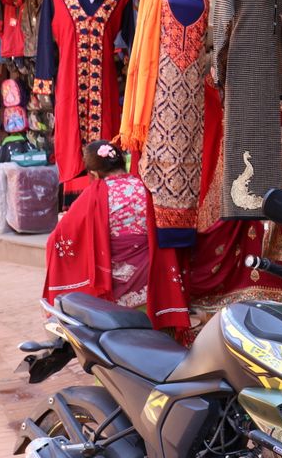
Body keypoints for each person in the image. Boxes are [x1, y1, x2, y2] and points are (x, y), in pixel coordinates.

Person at [43, 140, 191, 343]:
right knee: (156, 342)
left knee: (114, 345)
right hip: (149, 281)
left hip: (115, 286)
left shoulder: (92, 195)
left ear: (94, 173)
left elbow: (58, 239)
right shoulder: (144, 187)